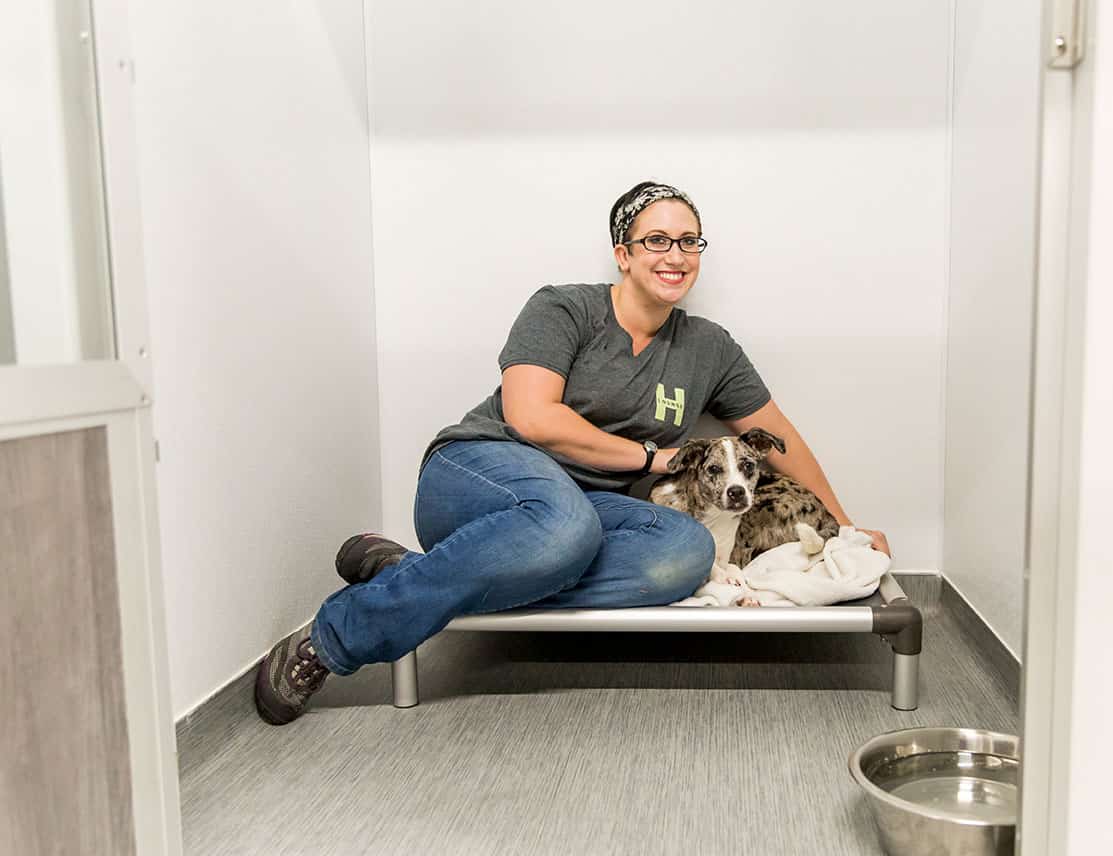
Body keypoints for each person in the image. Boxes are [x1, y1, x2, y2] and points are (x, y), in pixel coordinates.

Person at [254, 181, 891, 725]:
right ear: (623, 252)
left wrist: (847, 528)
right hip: (481, 471)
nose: (676, 254)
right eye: (657, 240)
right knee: (563, 524)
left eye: (689, 241)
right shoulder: (564, 308)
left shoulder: (709, 347)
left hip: (585, 513)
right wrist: (651, 459)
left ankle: (409, 577)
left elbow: (781, 437)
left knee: (686, 555)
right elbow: (533, 418)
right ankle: (338, 635)